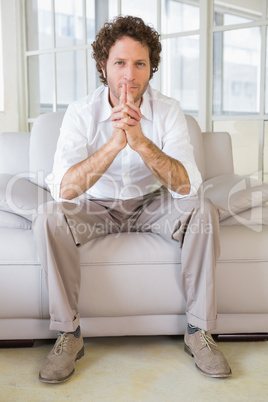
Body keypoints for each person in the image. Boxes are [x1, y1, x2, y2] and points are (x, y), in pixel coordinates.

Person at [32, 15, 231, 384]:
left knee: (202, 210)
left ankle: (199, 331)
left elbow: (187, 187)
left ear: (151, 68)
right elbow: (64, 190)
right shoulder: (80, 113)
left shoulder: (168, 110)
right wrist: (114, 143)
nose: (129, 75)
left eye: (139, 63)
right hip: (96, 205)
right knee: (48, 215)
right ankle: (68, 334)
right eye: (119, 63)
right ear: (103, 67)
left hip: (151, 203)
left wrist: (139, 141)